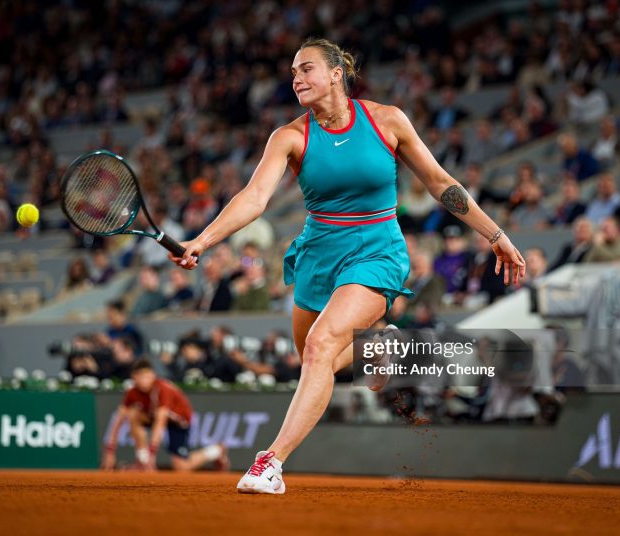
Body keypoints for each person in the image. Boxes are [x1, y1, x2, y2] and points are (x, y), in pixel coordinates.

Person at [169, 38, 524, 494]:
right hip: (318, 254)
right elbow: (253, 199)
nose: (296, 78)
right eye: (293, 71)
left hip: (377, 251)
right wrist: (202, 239)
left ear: (337, 73)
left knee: (320, 347)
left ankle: (270, 463)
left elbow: (440, 182)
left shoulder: (387, 120)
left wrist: (496, 235)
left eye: (307, 69)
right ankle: (381, 346)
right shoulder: (289, 136)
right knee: (315, 360)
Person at [101, 359, 229, 472]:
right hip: (154, 416)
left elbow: (160, 421)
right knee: (133, 414)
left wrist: (152, 453)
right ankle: (142, 459)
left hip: (179, 420)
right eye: (141, 376)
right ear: (134, 377)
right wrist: (110, 452)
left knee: (182, 467)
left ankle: (217, 451)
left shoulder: (162, 389)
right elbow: (118, 419)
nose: (144, 380)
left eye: (147, 376)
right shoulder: (132, 392)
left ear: (153, 375)